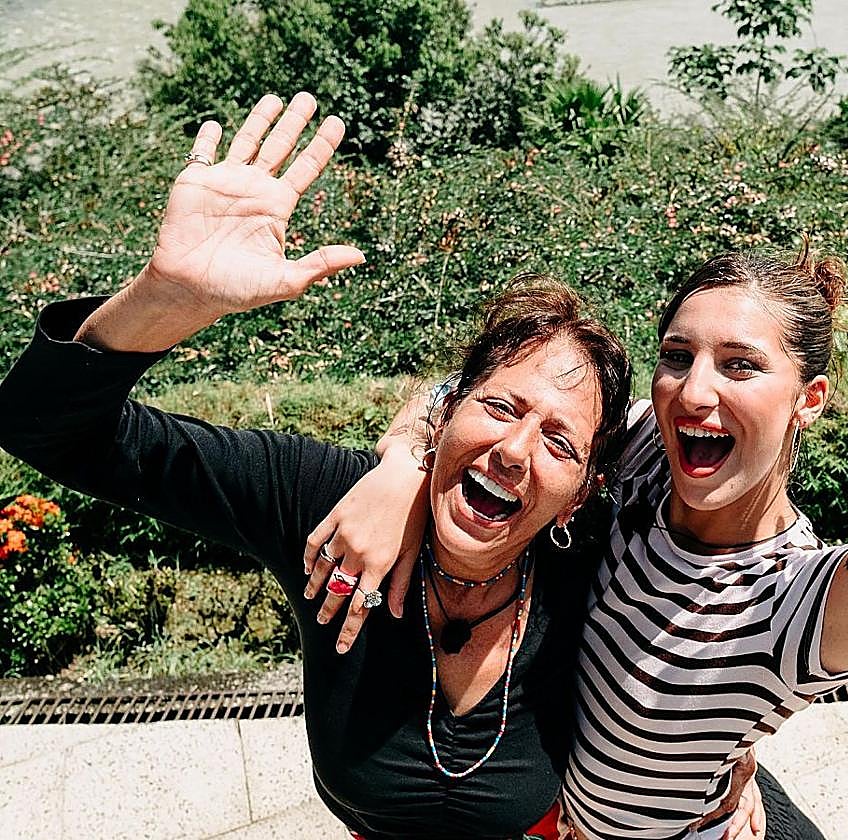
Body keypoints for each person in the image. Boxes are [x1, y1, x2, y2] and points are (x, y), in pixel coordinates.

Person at [301, 11, 848, 839]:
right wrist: (398, 466)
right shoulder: (651, 456)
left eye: (740, 366)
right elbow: (481, 397)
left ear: (809, 399)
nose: (693, 390)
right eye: (678, 355)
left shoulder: (795, 609)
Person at [0, 92, 774, 839]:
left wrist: (725, 757)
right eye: (500, 408)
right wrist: (167, 299)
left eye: (560, 442)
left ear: (580, 498)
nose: (513, 450)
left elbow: (723, 616)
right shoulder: (326, 510)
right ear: (449, 411)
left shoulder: (594, 557)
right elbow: (49, 431)